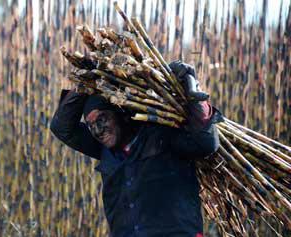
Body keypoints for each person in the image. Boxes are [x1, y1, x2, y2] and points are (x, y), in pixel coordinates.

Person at [50, 61, 223, 237]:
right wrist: (84, 84)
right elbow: (61, 128)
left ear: (120, 113)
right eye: (91, 125)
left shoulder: (160, 136)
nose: (98, 130)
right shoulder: (105, 150)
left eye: (102, 119)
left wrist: (191, 86)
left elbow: (205, 142)